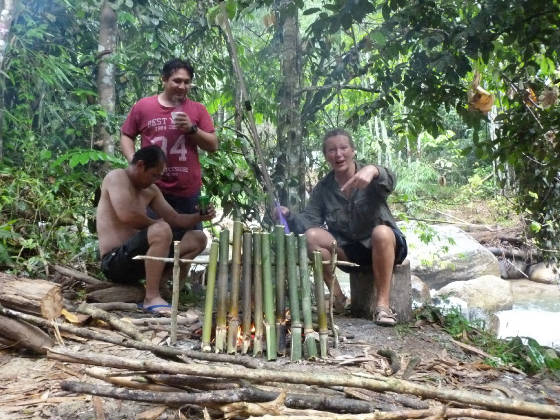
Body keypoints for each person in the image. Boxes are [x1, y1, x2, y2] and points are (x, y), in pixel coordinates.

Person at [279, 128, 407, 326]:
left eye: (343, 148)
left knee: (381, 232)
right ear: (326, 156)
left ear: (353, 151)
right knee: (311, 236)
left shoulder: (370, 174)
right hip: (351, 252)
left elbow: (390, 180)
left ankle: (383, 307)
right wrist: (288, 215)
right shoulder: (323, 188)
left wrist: (373, 170)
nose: (338, 154)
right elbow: (309, 221)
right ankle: (338, 296)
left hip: (386, 246)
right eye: (331, 150)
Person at [97, 146, 216, 314]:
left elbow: (175, 219)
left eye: (159, 176)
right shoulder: (116, 177)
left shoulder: (151, 190)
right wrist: (158, 224)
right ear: (140, 165)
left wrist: (199, 217)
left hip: (141, 260)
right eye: (154, 175)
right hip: (115, 262)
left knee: (198, 238)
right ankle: (150, 297)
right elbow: (126, 215)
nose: (156, 180)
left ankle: (164, 288)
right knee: (161, 229)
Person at [120, 58, 218, 257]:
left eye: (187, 82)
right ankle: (148, 285)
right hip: (153, 190)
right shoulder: (143, 107)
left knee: (190, 244)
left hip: (188, 192)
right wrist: (135, 163)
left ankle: (175, 286)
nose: (182, 86)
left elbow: (213, 146)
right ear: (164, 80)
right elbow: (126, 135)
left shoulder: (197, 110)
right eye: (177, 81)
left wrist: (192, 129)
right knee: (152, 243)